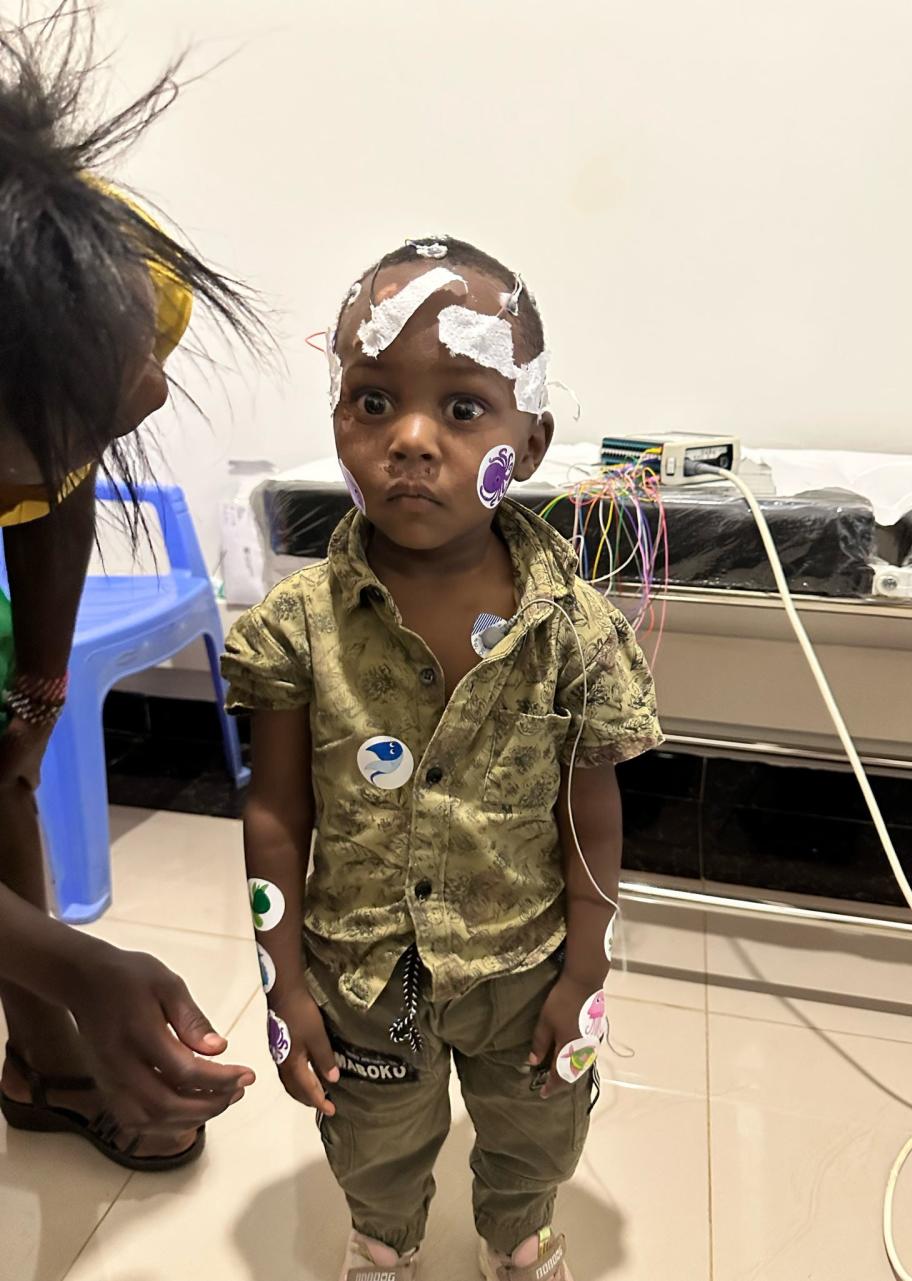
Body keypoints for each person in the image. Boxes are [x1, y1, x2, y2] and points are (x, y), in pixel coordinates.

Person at [223, 236, 663, 1280]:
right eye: (373, 401)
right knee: (372, 1146)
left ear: (533, 438)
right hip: (364, 973)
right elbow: (275, 814)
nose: (411, 439)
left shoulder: (579, 632)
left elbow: (590, 816)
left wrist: (588, 961)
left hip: (526, 967)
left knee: (537, 1131)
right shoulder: (296, 628)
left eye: (463, 409)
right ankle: (385, 1246)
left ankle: (518, 1240)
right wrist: (282, 987)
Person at [0, 4, 265, 1169]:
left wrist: (39, 688)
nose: (155, 401)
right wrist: (79, 967)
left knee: (2, 764)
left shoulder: (101, 275)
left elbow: (57, 486)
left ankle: (41, 1066)